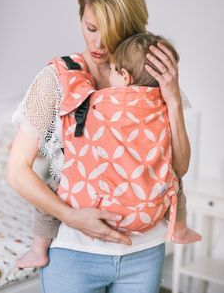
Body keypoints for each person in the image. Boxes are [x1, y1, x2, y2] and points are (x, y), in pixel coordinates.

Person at [8, 0, 192, 293]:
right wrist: (72, 217)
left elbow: (178, 167)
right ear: (80, 17)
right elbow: (17, 171)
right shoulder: (57, 79)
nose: (98, 42)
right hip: (74, 252)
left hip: (143, 253)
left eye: (110, 31)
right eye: (90, 28)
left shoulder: (150, 78)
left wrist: (173, 100)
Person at [16, 32, 201, 270]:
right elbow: (179, 168)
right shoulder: (161, 106)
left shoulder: (99, 103)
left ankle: (38, 249)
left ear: (124, 76)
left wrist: (68, 70)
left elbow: (76, 107)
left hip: (96, 206)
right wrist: (172, 100)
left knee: (52, 187)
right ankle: (180, 226)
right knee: (173, 180)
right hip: (146, 213)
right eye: (91, 28)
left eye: (113, 69)